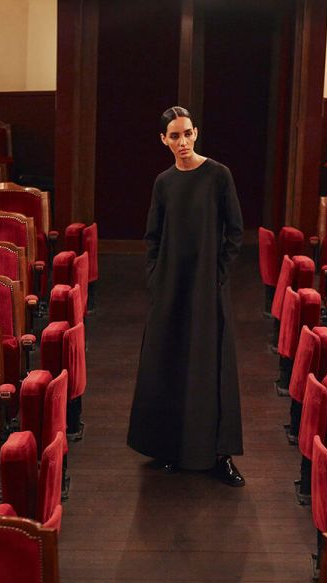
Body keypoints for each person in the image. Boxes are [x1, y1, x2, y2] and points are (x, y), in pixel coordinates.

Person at [127, 105, 245, 487]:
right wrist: (155, 277)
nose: (183, 141)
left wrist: (218, 276)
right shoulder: (163, 182)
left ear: (196, 133)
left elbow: (235, 232)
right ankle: (172, 447)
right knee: (170, 363)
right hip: (170, 287)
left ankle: (220, 455)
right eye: (175, 136)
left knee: (211, 365)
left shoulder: (219, 175)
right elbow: (153, 235)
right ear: (163, 140)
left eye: (188, 133)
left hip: (207, 287)